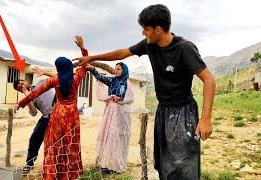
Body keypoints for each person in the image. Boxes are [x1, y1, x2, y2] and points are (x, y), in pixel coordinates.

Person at [74, 4, 215, 179]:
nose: (143, 33)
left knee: (183, 164)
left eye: (145, 29)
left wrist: (206, 119)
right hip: (163, 110)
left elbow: (209, 79)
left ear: (157, 29)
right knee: (163, 162)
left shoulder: (184, 48)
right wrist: (92, 58)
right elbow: (123, 53)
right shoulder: (150, 45)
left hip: (183, 111)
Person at [14, 36, 88, 180]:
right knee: (70, 142)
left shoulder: (54, 80)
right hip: (72, 114)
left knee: (55, 143)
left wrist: (20, 103)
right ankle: (69, 172)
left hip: (58, 114)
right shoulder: (76, 77)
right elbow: (85, 64)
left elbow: (35, 93)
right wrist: (82, 47)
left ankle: (54, 172)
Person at [86, 62, 134, 174]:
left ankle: (117, 165)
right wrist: (93, 69)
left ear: (124, 70)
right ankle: (106, 164)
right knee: (109, 135)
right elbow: (101, 78)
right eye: (115, 69)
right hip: (111, 111)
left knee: (119, 137)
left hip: (122, 113)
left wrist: (120, 99)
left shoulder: (127, 83)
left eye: (118, 69)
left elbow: (129, 98)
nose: (116, 71)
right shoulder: (112, 80)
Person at [13, 75, 55, 173]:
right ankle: (29, 164)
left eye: (22, 83)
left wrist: (45, 72)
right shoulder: (28, 98)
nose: (22, 85)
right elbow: (34, 112)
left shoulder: (41, 82)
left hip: (58, 114)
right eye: (20, 87)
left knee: (58, 141)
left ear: (26, 82)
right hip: (46, 117)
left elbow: (55, 79)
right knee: (34, 139)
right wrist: (27, 97)